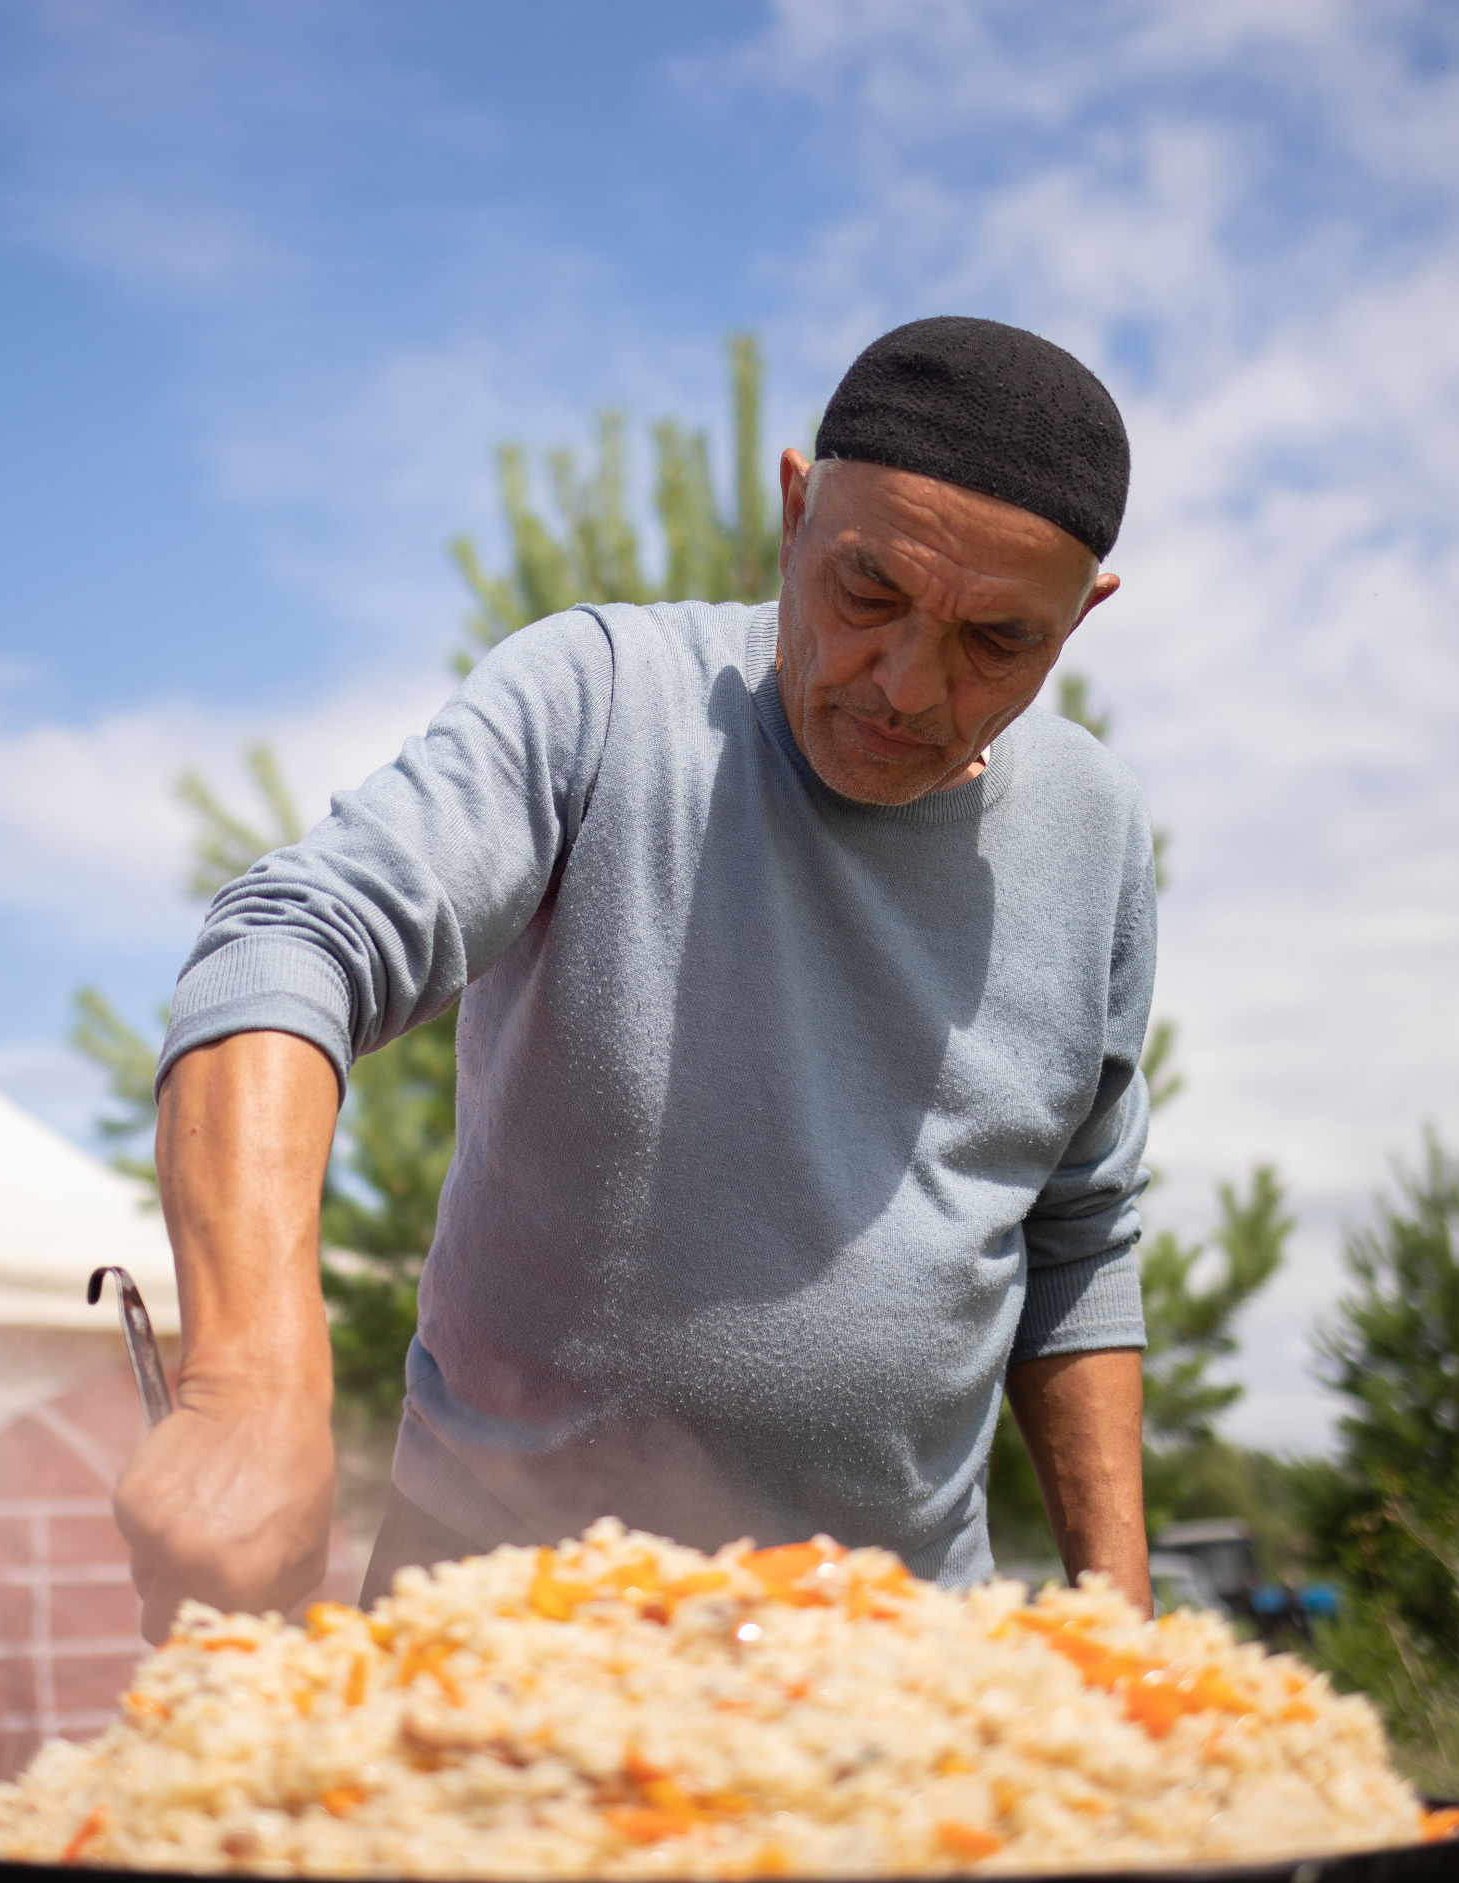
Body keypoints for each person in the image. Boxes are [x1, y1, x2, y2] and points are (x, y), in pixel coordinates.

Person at [117, 316, 1158, 1632]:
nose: (904, 682)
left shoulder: (1099, 834)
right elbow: (292, 940)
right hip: (502, 1630)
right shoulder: (601, 695)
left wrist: (1117, 1632)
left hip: (895, 1668)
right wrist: (251, 1383)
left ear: (1081, 616)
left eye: (996, 641)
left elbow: (1079, 1237)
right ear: (796, 510)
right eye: (869, 593)